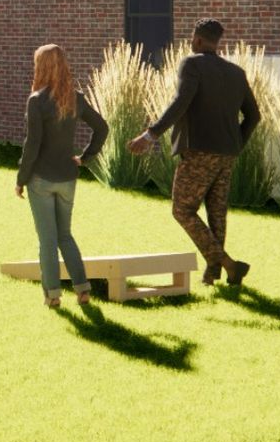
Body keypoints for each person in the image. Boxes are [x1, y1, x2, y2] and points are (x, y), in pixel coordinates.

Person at [128, 18, 262, 287]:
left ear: (198, 40)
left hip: (199, 151)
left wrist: (151, 133)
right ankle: (213, 275)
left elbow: (181, 101)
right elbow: (254, 116)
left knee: (182, 210)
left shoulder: (192, 64)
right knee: (216, 212)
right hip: (227, 153)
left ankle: (228, 264)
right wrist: (236, 143)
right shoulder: (236, 73)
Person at [17, 44, 110, 308]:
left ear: (41, 66)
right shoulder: (76, 98)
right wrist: (86, 157)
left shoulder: (36, 100)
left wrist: (21, 179)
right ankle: (82, 290)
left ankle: (53, 295)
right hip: (68, 178)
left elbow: (32, 145)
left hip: (41, 179)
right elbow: (101, 128)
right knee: (65, 236)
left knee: (47, 240)